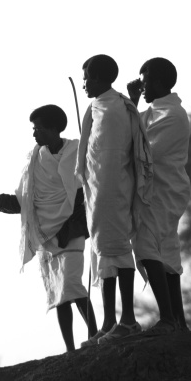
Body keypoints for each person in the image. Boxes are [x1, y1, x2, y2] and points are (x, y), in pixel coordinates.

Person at [0, 104, 97, 353]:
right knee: (58, 292)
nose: (34, 134)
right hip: (45, 235)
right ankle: (70, 349)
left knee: (73, 285)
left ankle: (96, 335)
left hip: (72, 229)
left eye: (39, 128)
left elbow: (85, 191)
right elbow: (26, 201)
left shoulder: (77, 151)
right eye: (34, 129)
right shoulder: (35, 160)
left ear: (54, 129)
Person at [75, 54, 153, 346]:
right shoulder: (96, 107)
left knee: (118, 249)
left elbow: (116, 155)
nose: (83, 84)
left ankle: (129, 320)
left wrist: (106, 187)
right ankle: (109, 322)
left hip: (114, 189)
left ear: (97, 78)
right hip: (97, 191)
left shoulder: (117, 108)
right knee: (103, 252)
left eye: (86, 78)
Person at [127, 57, 191, 332]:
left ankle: (167, 318)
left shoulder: (173, 115)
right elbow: (133, 132)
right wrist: (134, 104)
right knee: (167, 254)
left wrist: (132, 106)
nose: (141, 87)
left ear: (159, 82)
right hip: (159, 191)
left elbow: (144, 151)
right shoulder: (154, 111)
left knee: (144, 245)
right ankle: (178, 321)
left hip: (164, 190)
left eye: (144, 82)